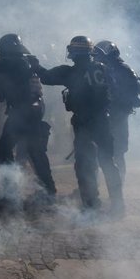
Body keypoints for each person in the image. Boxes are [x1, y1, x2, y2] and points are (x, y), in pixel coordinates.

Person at [37, 36, 124, 215]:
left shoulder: (71, 72)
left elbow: (45, 77)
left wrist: (34, 64)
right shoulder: (103, 69)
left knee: (85, 164)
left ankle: (91, 205)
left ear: (74, 53)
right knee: (108, 162)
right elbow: (114, 92)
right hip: (102, 121)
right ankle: (118, 204)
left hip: (84, 122)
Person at [0, 34, 56, 198]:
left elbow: (5, 84)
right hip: (32, 109)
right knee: (35, 151)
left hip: (24, 110)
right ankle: (48, 190)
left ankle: (10, 190)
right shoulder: (25, 61)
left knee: (5, 148)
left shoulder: (11, 63)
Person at [93, 40, 140, 182]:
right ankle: (92, 186)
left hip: (118, 116)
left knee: (118, 151)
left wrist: (120, 99)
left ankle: (118, 184)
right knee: (97, 151)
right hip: (102, 116)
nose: (97, 57)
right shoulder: (100, 70)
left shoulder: (125, 70)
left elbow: (137, 97)